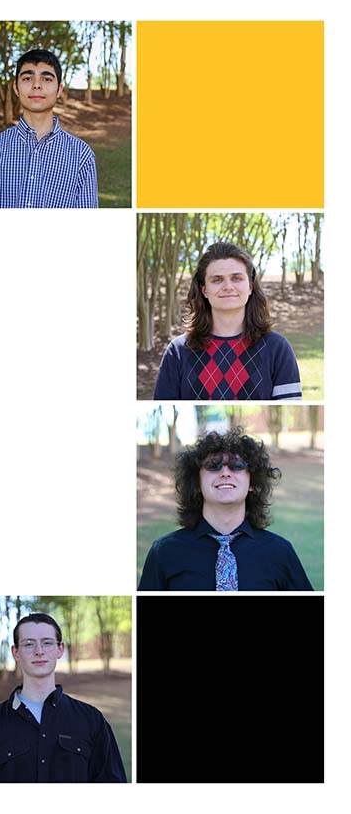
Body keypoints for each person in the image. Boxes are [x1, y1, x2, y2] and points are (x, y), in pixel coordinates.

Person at [140, 428, 313, 590]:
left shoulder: (280, 552)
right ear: (197, 483)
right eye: (213, 465)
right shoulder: (164, 553)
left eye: (237, 465)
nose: (225, 473)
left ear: (252, 482)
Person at [0, 613, 126, 782]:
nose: (39, 651)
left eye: (47, 643)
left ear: (60, 649)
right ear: (16, 652)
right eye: (28, 644)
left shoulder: (92, 720)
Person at [154, 242, 302, 400]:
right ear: (204, 290)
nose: (228, 286)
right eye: (217, 280)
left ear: (250, 287)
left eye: (236, 278)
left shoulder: (277, 349)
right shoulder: (178, 351)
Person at [0, 49, 97, 208]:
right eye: (28, 78)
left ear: (59, 90)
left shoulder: (82, 155)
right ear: (16, 88)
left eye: (47, 79)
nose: (36, 85)